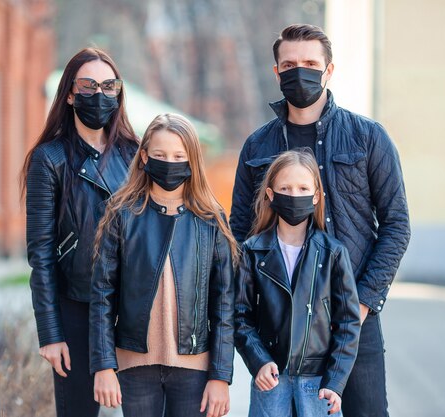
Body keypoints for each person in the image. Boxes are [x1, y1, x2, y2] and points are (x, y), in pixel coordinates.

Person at [229, 24, 411, 417]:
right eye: (289, 64)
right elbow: (239, 231)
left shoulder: (368, 138)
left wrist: (360, 303)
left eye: (310, 63)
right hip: (281, 330)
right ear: (276, 73)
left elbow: (396, 225)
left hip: (354, 325)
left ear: (329, 70)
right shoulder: (257, 146)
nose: (300, 72)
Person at [89, 113, 237, 417]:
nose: (169, 162)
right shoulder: (122, 214)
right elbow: (102, 296)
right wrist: (103, 364)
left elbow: (224, 305)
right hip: (135, 365)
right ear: (144, 157)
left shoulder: (211, 220)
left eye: (179, 156)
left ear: (193, 160)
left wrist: (221, 375)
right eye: (160, 155)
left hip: (194, 366)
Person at [21, 47, 139, 417]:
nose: (99, 94)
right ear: (70, 94)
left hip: (133, 307)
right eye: (88, 86)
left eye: (109, 85)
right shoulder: (50, 159)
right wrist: (50, 333)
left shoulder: (136, 154)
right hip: (77, 308)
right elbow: (40, 252)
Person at [235, 150, 360, 417]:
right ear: (271, 195)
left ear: (316, 196)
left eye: (303, 187)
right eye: (285, 188)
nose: (294, 195)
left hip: (319, 383)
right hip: (271, 378)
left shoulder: (334, 253)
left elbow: (348, 323)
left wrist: (336, 382)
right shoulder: (252, 251)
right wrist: (258, 361)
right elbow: (240, 316)